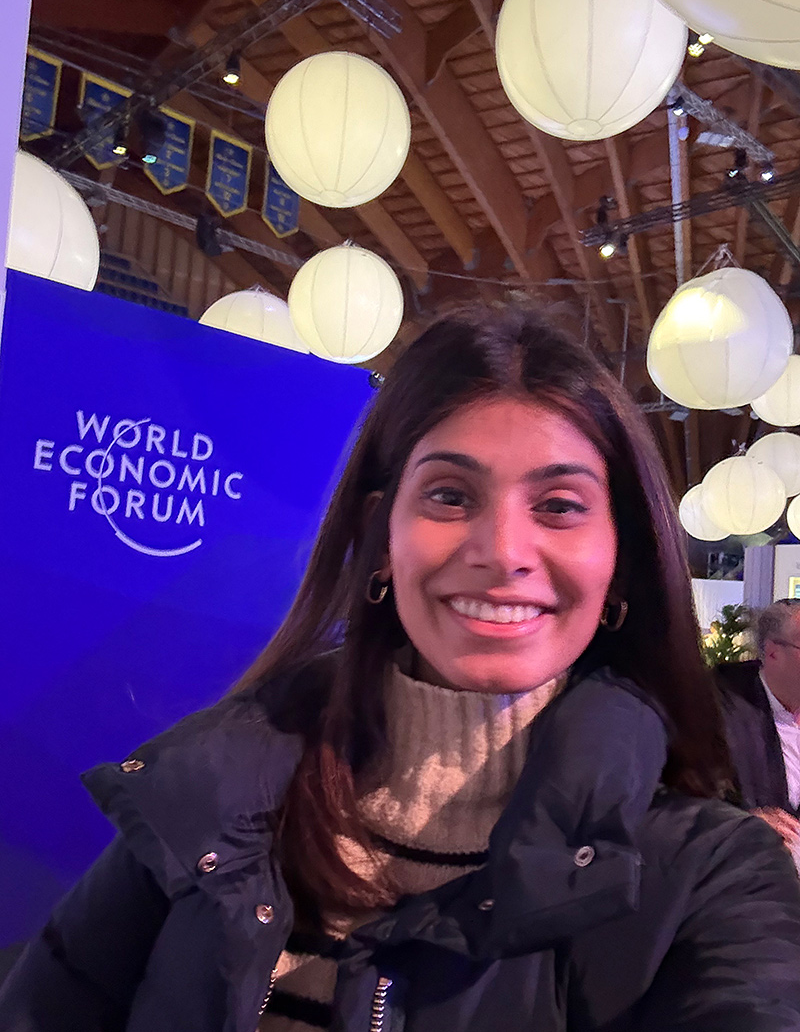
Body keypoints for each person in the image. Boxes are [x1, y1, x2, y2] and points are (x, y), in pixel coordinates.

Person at [2, 304, 800, 1032]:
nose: (501, 552)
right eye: (450, 495)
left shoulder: (713, 878)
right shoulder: (211, 797)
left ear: (620, 563)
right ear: (383, 536)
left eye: (558, 505)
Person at [718, 599, 800, 856]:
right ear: (773, 651)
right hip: (750, 869)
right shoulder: (718, 708)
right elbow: (681, 803)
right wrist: (744, 823)